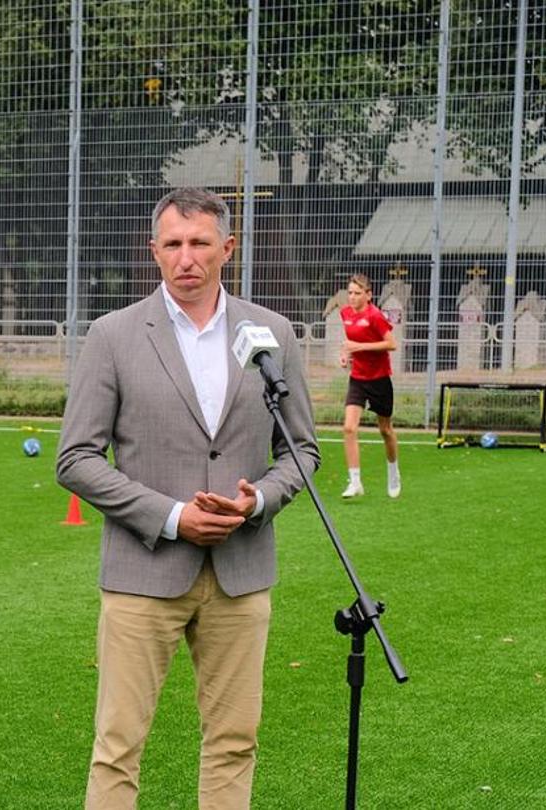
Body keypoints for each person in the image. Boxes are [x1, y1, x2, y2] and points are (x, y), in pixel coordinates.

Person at [57, 187, 321, 810]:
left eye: (200, 243)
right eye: (173, 244)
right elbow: (75, 459)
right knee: (117, 747)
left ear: (228, 248)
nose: (186, 258)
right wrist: (173, 517)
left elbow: (303, 452)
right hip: (142, 574)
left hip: (240, 574)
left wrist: (257, 502)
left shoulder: (272, 334)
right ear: (154, 250)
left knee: (234, 742)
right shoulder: (113, 335)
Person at [338, 273, 401, 498]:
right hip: (358, 379)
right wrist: (345, 354)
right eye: (350, 293)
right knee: (349, 427)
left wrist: (359, 347)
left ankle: (393, 472)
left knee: (385, 430)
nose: (352, 297)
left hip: (379, 379)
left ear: (368, 295)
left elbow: (391, 344)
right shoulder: (345, 313)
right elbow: (349, 344)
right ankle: (355, 482)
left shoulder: (375, 316)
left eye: (357, 293)